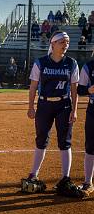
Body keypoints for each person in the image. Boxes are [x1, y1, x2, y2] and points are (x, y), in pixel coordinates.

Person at [23, 31, 81, 195]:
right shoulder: (40, 62)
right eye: (62, 41)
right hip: (44, 104)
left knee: (65, 141)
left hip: (64, 105)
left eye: (67, 42)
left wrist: (75, 110)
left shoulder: (72, 63)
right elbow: (33, 86)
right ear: (53, 43)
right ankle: (33, 174)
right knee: (41, 139)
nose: (65, 44)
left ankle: (65, 178)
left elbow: (75, 90)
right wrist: (30, 106)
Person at [77, 52, 94, 197]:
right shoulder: (89, 67)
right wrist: (89, 90)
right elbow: (80, 90)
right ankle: (88, 182)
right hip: (93, 111)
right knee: (90, 146)